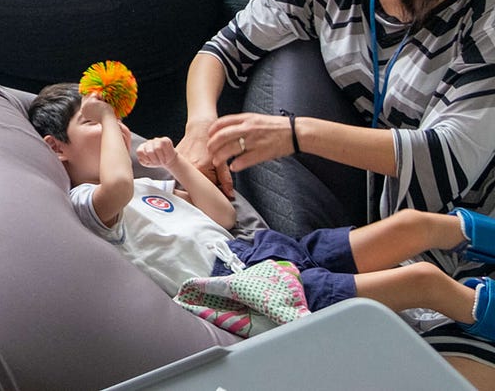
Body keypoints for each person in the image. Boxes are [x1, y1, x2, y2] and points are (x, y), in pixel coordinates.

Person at [179, 0, 495, 381]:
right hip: (393, 234)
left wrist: (295, 134)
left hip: (477, 242)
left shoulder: (487, 9)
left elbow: (448, 159)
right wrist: (200, 126)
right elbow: (221, 50)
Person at [28, 83, 495, 338]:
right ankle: (478, 314)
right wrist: (109, 115)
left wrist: (176, 165)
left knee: (412, 226)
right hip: (249, 288)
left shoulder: (148, 186)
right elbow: (117, 184)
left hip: (258, 251)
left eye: (114, 121)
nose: (117, 130)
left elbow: (223, 216)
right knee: (421, 281)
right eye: (91, 123)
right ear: (57, 148)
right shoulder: (85, 202)